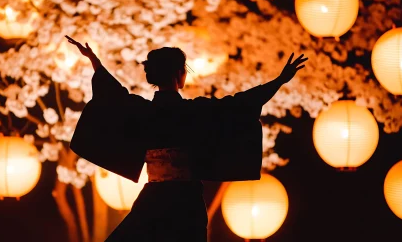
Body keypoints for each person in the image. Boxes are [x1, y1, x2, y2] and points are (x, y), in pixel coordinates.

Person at [67, 36, 307, 242]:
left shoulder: (144, 111)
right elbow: (241, 103)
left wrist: (95, 62)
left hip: (153, 199)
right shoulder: (196, 111)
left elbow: (113, 94)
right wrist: (279, 81)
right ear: (179, 74)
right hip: (186, 200)